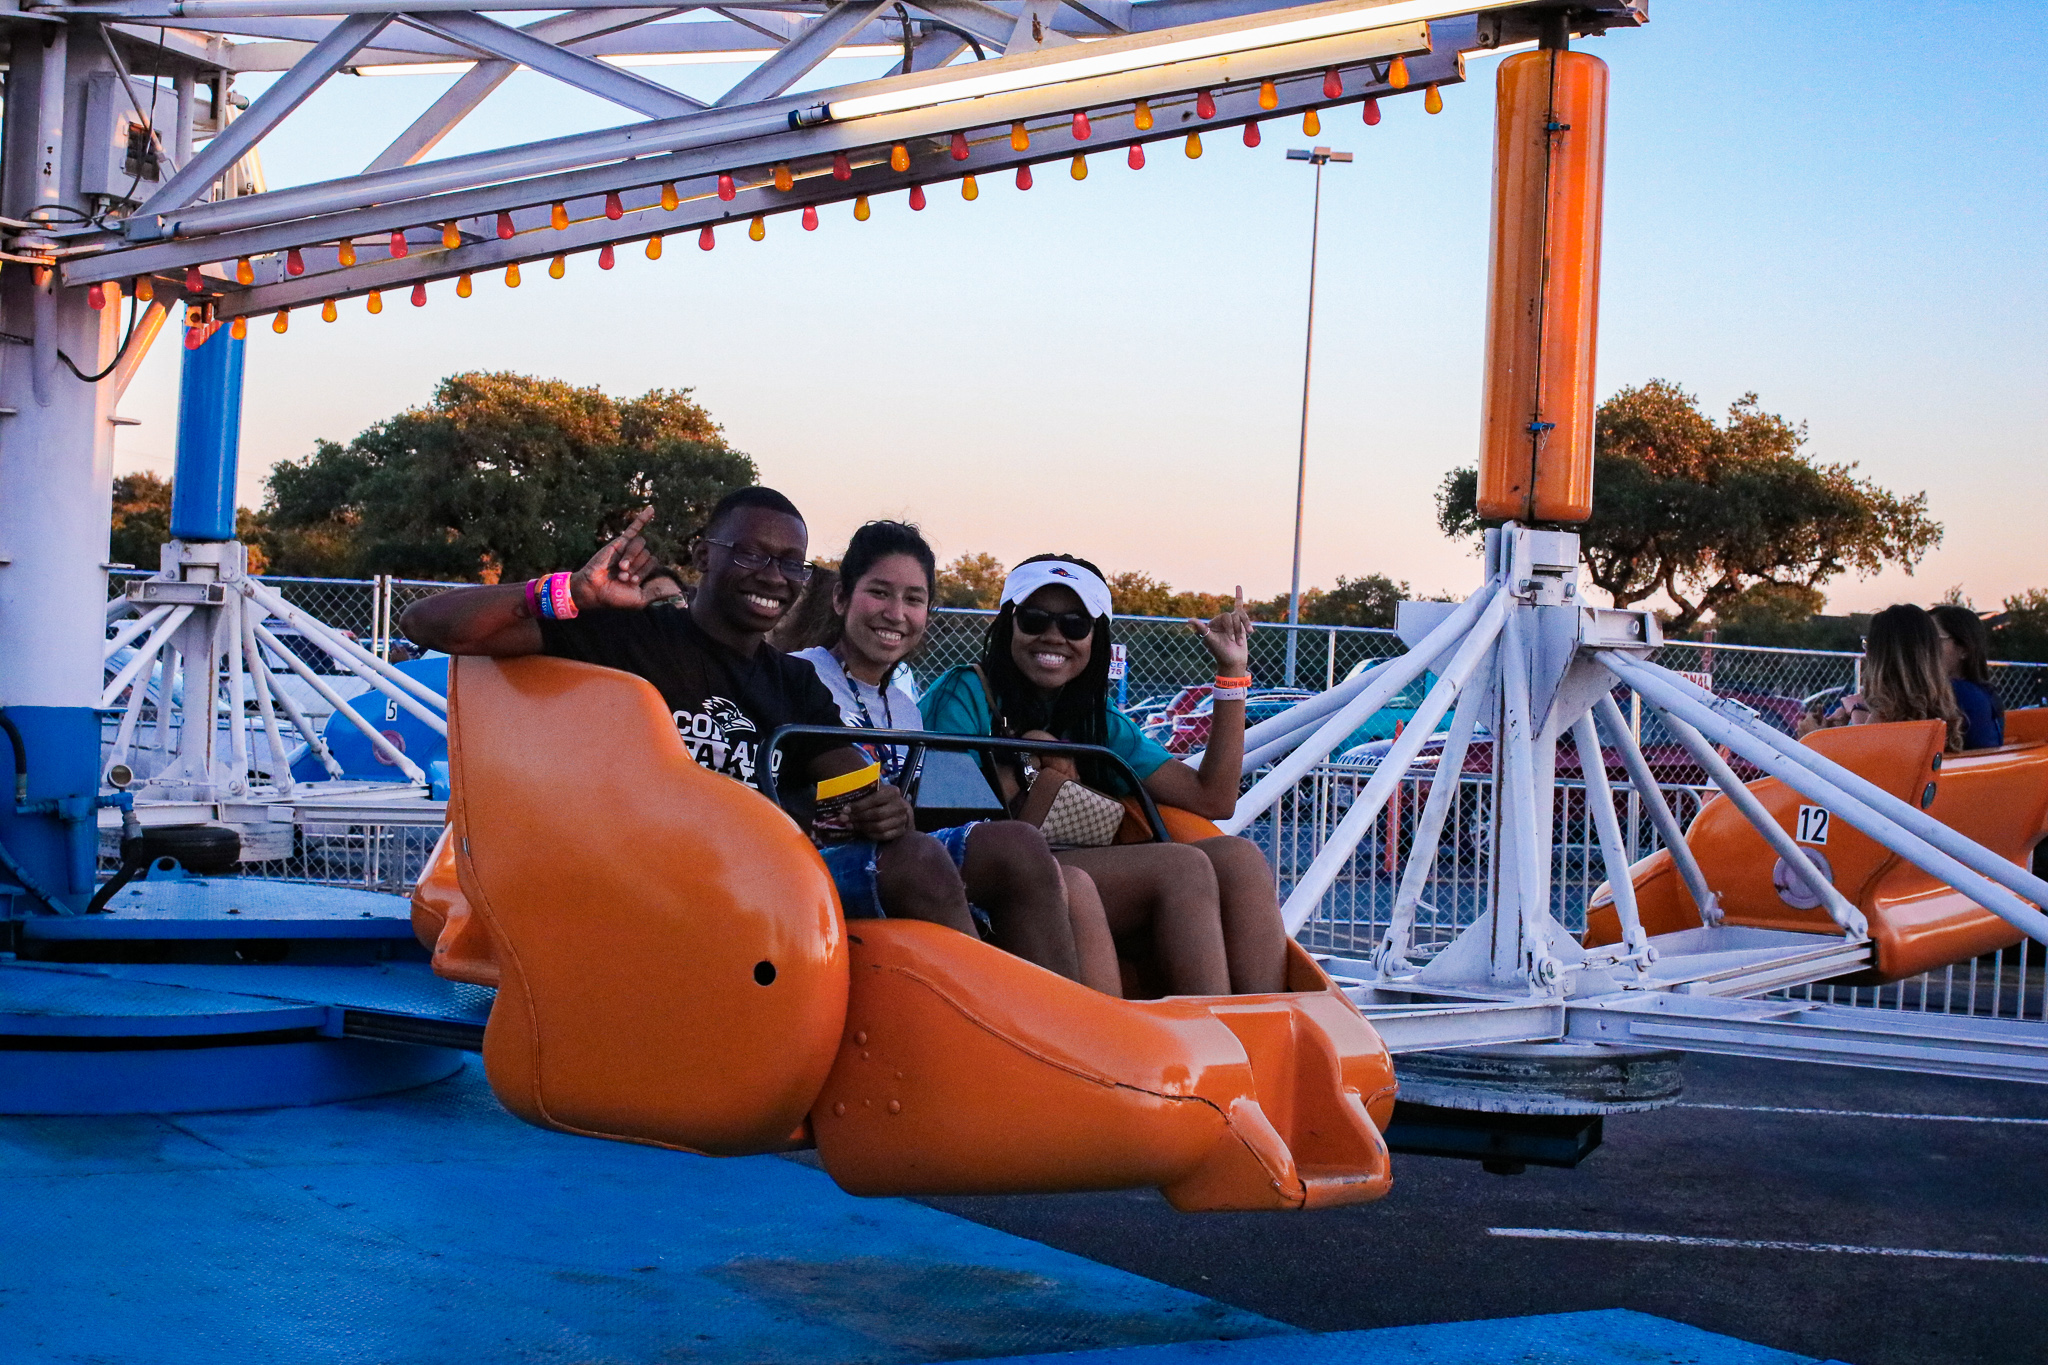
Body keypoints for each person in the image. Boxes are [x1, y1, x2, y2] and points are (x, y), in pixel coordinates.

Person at [398, 491, 1085, 982]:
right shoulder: (626, 633)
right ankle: (997, 1047)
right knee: (916, 866)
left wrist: (883, 805)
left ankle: (1071, 1043)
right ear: (704, 554)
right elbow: (429, 623)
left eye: (790, 563)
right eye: (752, 553)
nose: (773, 575)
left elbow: (848, 779)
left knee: (1015, 847)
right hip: (666, 883)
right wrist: (567, 593)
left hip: (777, 877)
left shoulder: (792, 683)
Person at [920, 554, 1288, 996]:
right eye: (1034, 619)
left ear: (1097, 638)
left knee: (1240, 860)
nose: (1053, 636)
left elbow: (1214, 799)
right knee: (1182, 869)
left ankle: (1269, 1031)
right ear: (1007, 625)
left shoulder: (1097, 720)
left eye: (1075, 624)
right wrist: (1023, 766)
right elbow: (949, 823)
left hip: (1066, 862)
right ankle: (1211, 1039)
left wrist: (1231, 674)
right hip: (990, 876)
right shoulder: (964, 694)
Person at [788, 520, 1119, 993]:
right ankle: (993, 1021)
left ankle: (1067, 1028)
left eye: (914, 600)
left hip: (895, 853)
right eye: (879, 593)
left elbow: (937, 810)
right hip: (815, 863)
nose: (895, 613)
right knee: (925, 858)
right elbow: (782, 786)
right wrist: (855, 807)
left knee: (1020, 844)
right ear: (841, 598)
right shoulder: (799, 674)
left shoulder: (904, 706)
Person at [1828, 604, 1966, 752]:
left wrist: (1811, 737)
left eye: (1868, 644)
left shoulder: (1887, 719)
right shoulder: (1940, 715)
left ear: (1881, 657)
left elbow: (1858, 765)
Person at [1930, 603, 2005, 750]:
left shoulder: (1958, 695)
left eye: (1933, 640)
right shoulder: (1983, 694)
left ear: (1964, 649)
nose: (1924, 648)